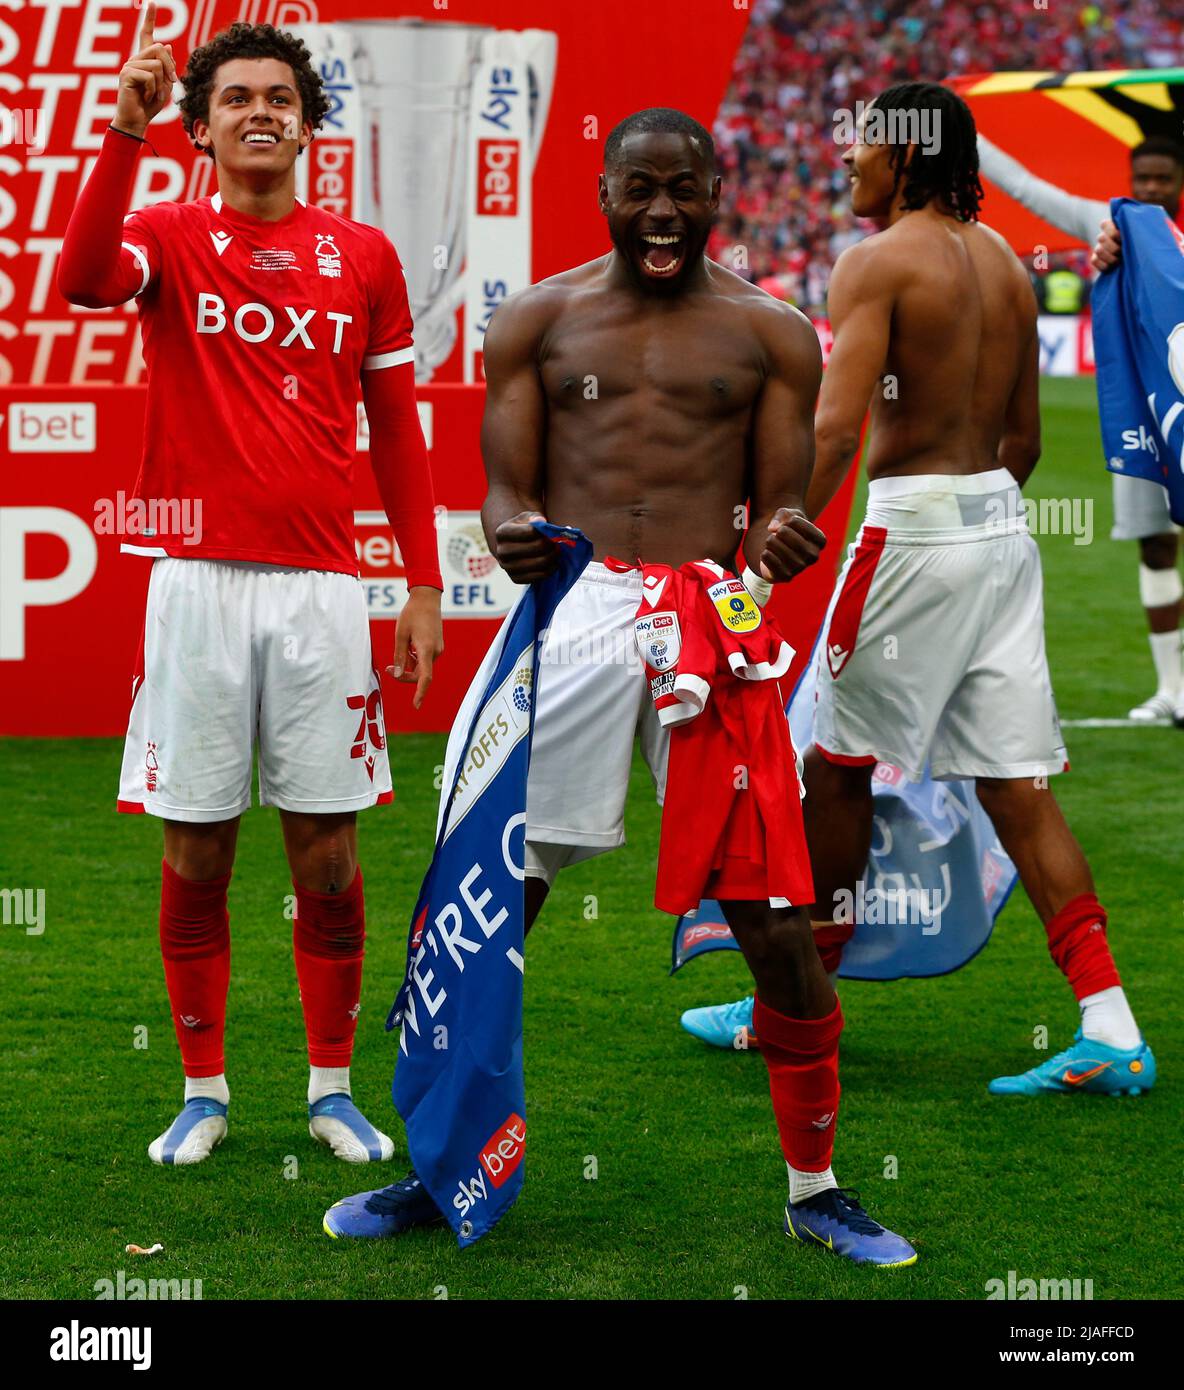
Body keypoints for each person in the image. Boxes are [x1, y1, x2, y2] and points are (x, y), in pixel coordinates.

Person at [324, 107, 917, 1266]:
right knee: (486, 902)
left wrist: (779, 547)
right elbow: (503, 488)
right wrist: (506, 537)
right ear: (601, 190)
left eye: (682, 190)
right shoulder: (537, 319)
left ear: (714, 193)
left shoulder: (772, 333)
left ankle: (816, 1186)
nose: (660, 212)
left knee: (771, 917)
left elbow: (776, 508)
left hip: (705, 616)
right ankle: (432, 1162)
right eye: (638, 188)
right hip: (572, 614)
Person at [686, 83, 1156, 1102]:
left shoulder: (877, 261)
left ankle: (790, 1007)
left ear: (902, 156)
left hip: (912, 530)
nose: (844, 163)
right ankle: (1108, 1024)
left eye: (859, 147)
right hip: (998, 530)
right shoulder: (1002, 267)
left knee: (836, 764)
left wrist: (756, 566)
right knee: (1015, 787)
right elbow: (1022, 443)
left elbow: (832, 432)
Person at [56, 10, 445, 1166]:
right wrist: (121, 135)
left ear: (309, 120)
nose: (260, 110)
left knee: (326, 854)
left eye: (280, 95)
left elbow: (397, 431)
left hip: (325, 593)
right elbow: (80, 281)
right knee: (198, 850)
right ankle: (203, 1088)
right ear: (205, 126)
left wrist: (421, 582)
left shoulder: (362, 258)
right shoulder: (167, 235)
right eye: (235, 97)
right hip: (196, 588)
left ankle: (329, 1087)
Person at [978, 133, 1184, 725]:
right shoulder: (1108, 221)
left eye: (1162, 178)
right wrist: (965, 129)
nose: (1150, 189)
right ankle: (1171, 688)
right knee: (1155, 545)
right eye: (1141, 178)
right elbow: (1026, 189)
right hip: (1145, 414)